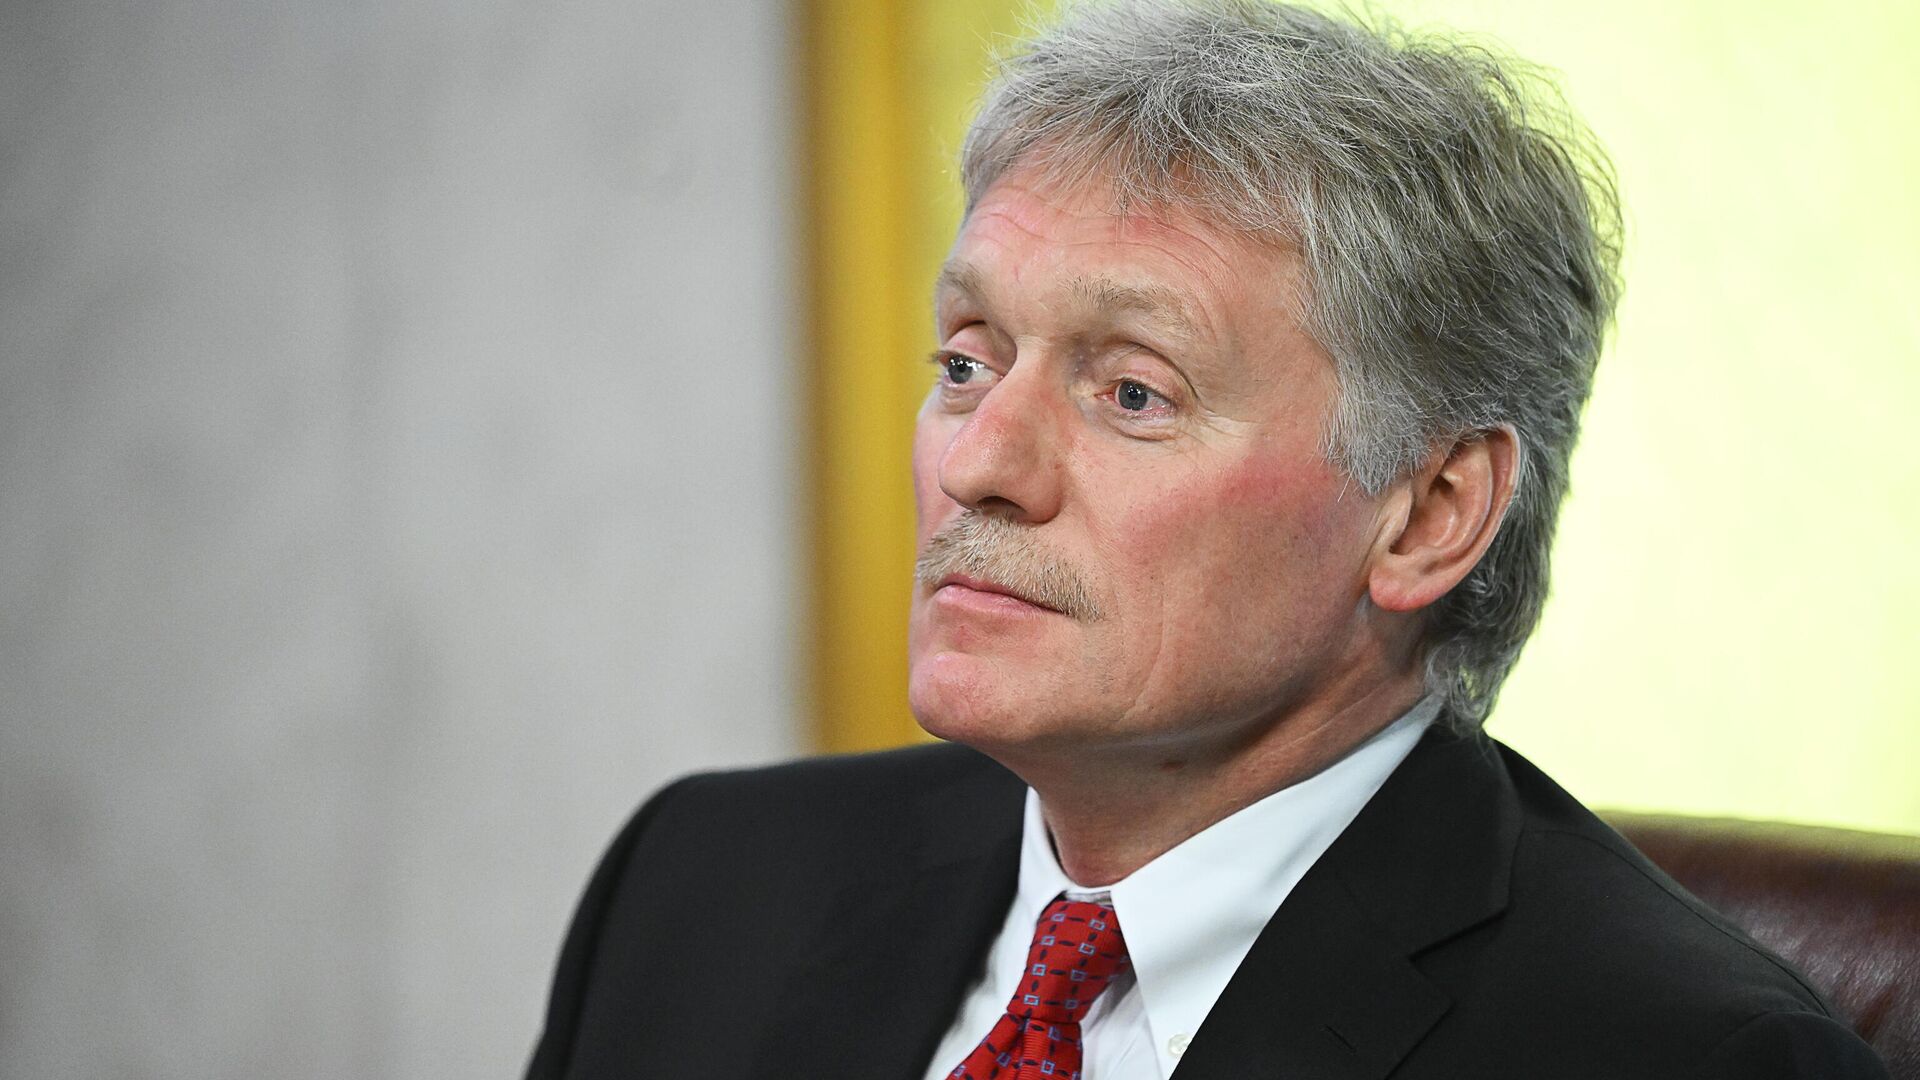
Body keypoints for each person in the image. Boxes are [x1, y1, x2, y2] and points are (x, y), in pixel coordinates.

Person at [525, 2, 1890, 1077]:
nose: (980, 465)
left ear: (1429, 515)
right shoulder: (702, 884)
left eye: (1133, 392)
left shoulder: (1681, 1058)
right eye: (966, 362)